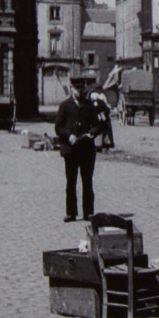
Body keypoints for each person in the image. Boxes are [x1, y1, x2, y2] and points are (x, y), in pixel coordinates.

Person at [56, 76, 99, 222]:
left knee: (87, 181)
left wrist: (91, 133)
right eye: (76, 89)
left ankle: (88, 212)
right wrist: (68, 136)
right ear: (71, 89)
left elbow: (97, 125)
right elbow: (58, 127)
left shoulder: (89, 106)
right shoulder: (65, 106)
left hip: (86, 149)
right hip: (71, 149)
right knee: (71, 181)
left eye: (81, 89)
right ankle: (71, 212)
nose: (79, 91)